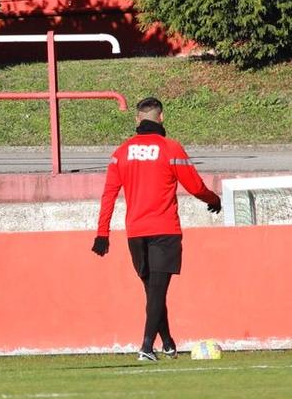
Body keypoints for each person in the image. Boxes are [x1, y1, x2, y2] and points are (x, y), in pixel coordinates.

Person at [93, 95, 221, 362]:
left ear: (137, 119)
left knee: (153, 291)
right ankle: (147, 348)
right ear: (161, 118)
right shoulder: (171, 149)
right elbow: (195, 186)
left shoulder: (121, 153)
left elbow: (108, 195)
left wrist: (102, 233)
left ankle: (168, 343)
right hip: (165, 230)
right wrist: (213, 199)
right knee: (157, 291)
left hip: (136, 233)